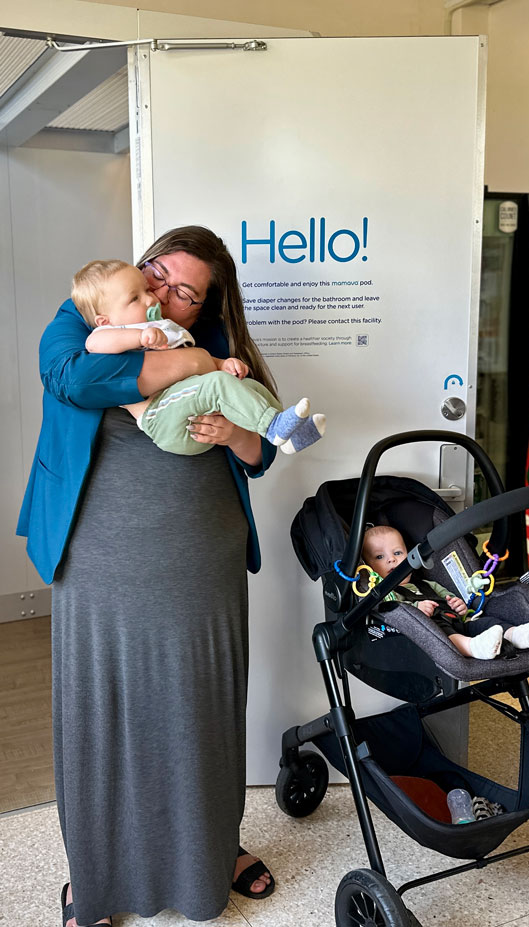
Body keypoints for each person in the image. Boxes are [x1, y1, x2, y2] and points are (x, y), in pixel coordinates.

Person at [17, 227, 285, 927]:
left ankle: (211, 855)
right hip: (99, 553)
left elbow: (263, 449)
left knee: (199, 711)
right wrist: (190, 360)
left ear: (204, 308)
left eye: (184, 292)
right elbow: (74, 379)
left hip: (203, 557)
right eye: (155, 273)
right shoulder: (81, 318)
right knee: (104, 712)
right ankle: (99, 880)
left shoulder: (218, 349)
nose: (161, 292)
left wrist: (231, 431)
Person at [74, 259, 326, 455]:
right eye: (135, 297)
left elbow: (196, 360)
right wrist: (138, 338)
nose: (152, 298)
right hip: (162, 418)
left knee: (246, 385)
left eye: (145, 290)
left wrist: (222, 363)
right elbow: (95, 343)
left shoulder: (164, 327)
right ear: (104, 319)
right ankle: (273, 426)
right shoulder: (110, 331)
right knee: (218, 384)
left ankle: (290, 433)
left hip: (192, 413)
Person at [361, 525, 529, 660]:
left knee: (487, 623)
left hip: (458, 622)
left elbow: (449, 598)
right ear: (368, 566)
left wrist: (458, 605)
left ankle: (517, 635)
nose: (391, 560)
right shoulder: (387, 594)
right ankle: (474, 648)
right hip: (433, 635)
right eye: (379, 556)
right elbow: (394, 613)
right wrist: (417, 609)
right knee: (446, 634)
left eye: (397, 553)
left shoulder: (428, 584)